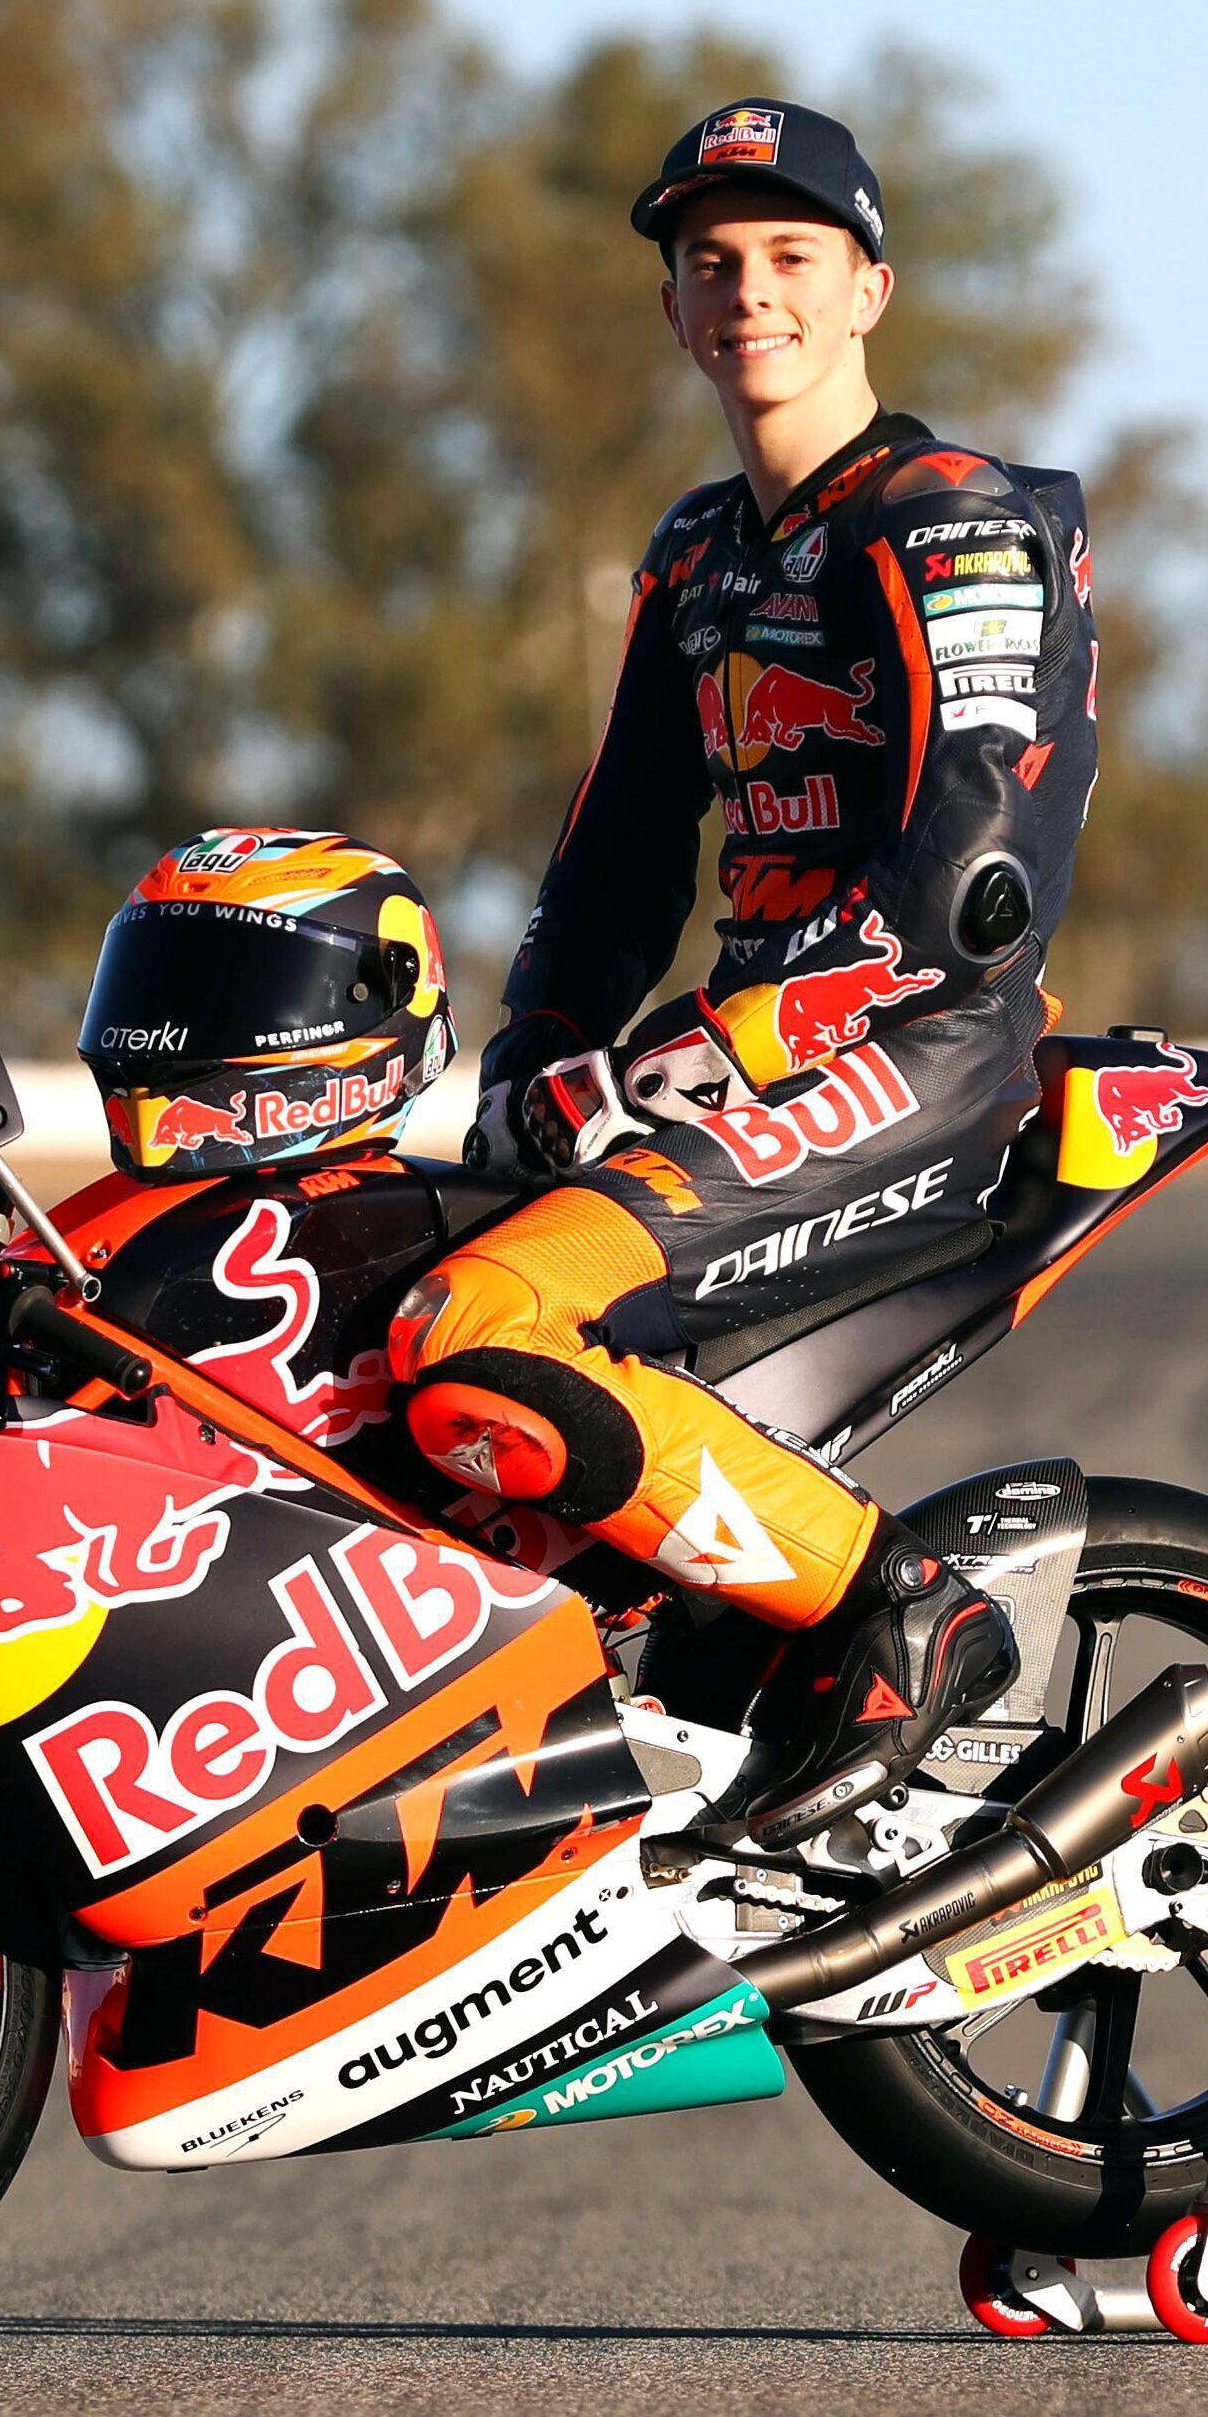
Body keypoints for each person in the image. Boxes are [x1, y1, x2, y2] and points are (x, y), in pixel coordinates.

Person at [388, 98, 1099, 1849]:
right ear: (674, 308)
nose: (749, 292)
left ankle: (904, 1615)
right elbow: (618, 853)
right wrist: (534, 1052)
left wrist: (697, 1060)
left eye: (791, 255)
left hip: (922, 1053)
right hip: (747, 1055)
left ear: (870, 291)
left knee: (481, 1328)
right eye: (712, 264)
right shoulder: (698, 551)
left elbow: (972, 888)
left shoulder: (950, 520)